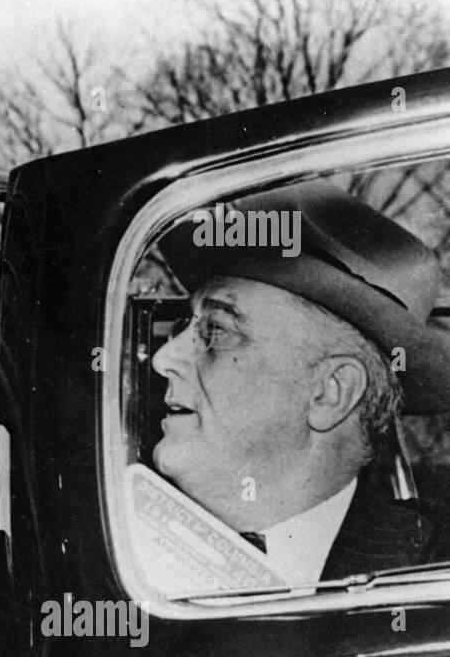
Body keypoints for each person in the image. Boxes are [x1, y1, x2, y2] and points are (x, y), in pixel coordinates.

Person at [153, 179, 450, 585]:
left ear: (330, 393)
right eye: (186, 325)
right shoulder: (122, 552)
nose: (163, 358)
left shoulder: (431, 577)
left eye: (217, 331)